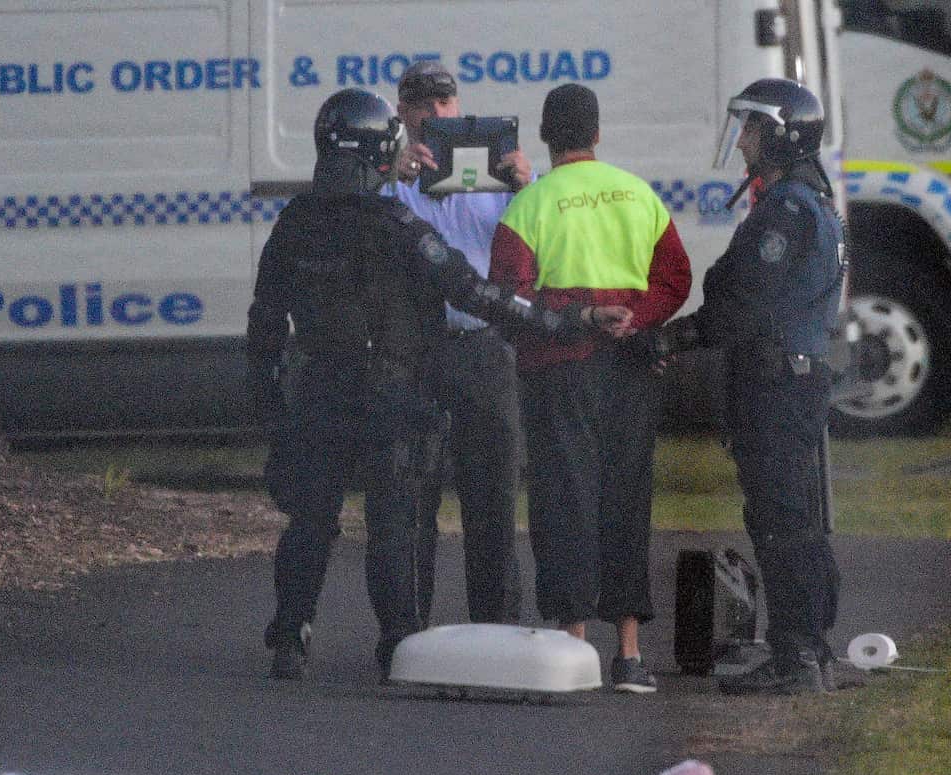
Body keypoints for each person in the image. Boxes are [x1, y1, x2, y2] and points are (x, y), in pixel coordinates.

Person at [246, 87, 632, 682]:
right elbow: (477, 294)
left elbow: (264, 321)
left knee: (311, 519)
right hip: (390, 394)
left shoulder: (294, 223)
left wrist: (272, 407)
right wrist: (566, 322)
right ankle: (398, 643)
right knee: (393, 521)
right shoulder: (395, 225)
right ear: (381, 154)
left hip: (317, 390)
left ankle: (291, 635)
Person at [629, 78, 846, 695]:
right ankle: (810, 649)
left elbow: (740, 302)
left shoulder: (786, 212)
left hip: (777, 380)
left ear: (779, 135)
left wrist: (673, 339)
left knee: (781, 519)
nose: (743, 140)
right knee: (794, 516)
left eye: (751, 128)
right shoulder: (809, 202)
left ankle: (798, 655)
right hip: (793, 375)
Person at [488, 84, 692, 694]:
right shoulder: (638, 194)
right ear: (598, 135)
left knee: (563, 499)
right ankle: (629, 653)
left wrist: (577, 311)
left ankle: (573, 647)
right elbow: (675, 278)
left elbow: (508, 297)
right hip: (630, 367)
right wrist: (637, 317)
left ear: (546, 140)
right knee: (626, 498)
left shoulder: (530, 205)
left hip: (559, 369)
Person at [381, 60, 531, 626]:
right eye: (425, 104)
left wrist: (526, 187)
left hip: (484, 348)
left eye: (446, 103)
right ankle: (406, 635)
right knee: (410, 503)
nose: (438, 113)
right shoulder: (391, 177)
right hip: (416, 351)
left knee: (492, 501)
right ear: (405, 113)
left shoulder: (488, 174)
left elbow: (531, 250)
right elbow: (366, 229)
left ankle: (498, 632)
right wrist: (388, 175)